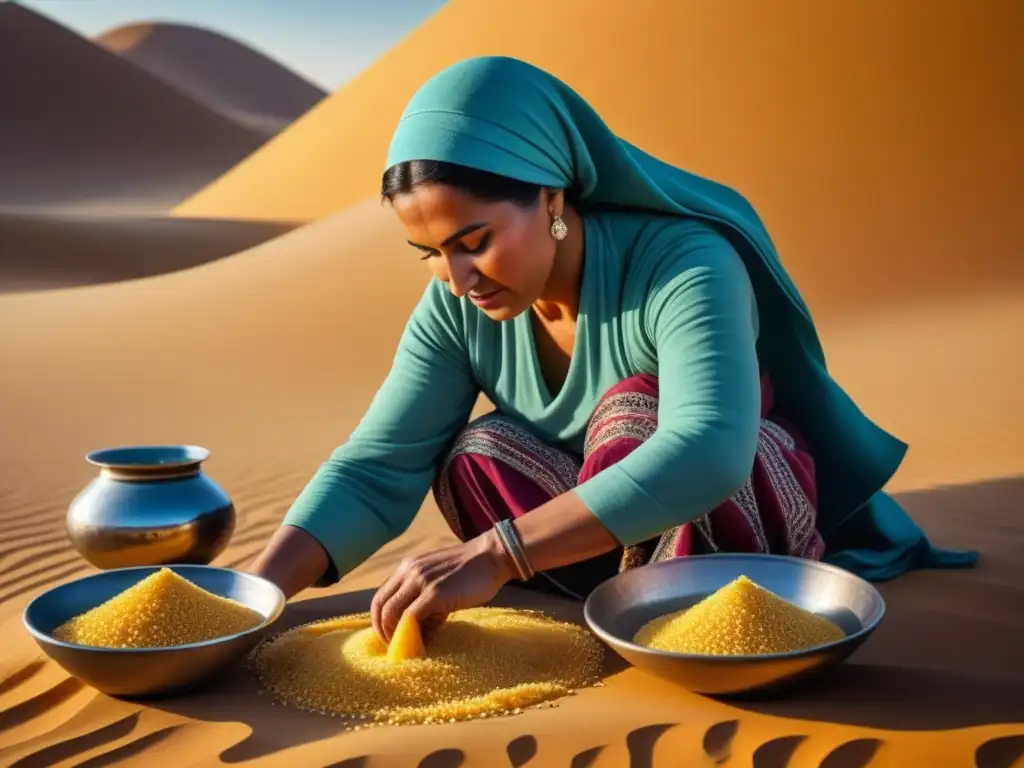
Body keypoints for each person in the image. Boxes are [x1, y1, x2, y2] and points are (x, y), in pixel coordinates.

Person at [249, 55, 977, 644]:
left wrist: (500, 553)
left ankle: (659, 614)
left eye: (474, 242)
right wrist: (254, 596)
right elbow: (380, 463)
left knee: (634, 412)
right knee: (479, 450)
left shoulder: (685, 262)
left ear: (554, 198)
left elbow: (710, 445)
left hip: (730, 530)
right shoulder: (456, 304)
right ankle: (611, 609)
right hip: (589, 547)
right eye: (428, 253)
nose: (456, 277)